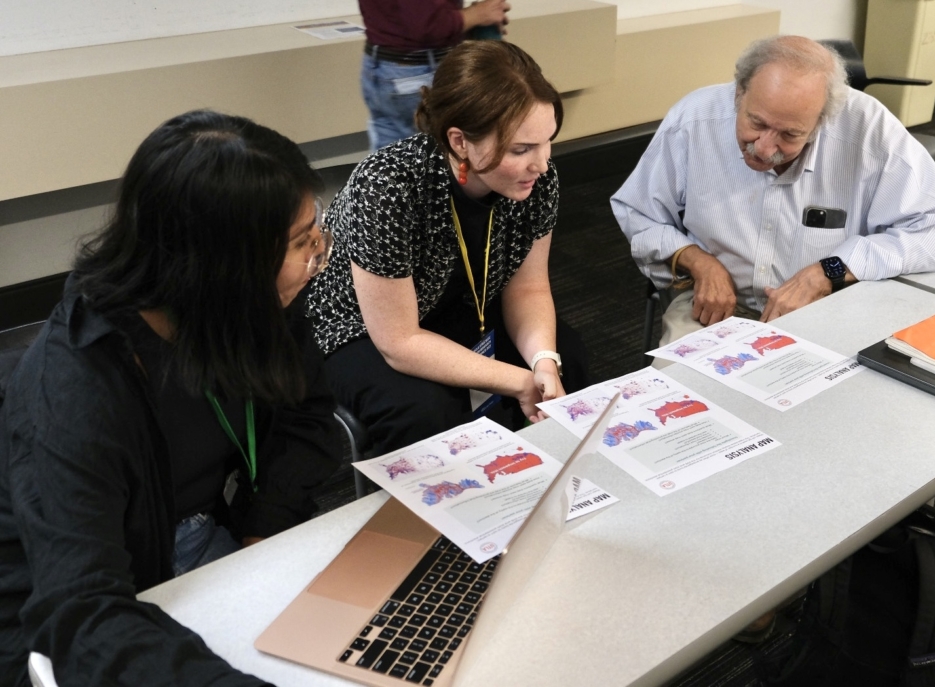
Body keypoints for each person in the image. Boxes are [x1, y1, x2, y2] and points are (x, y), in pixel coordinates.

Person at [0, 110, 344, 685]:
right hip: (66, 604)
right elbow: (83, 615)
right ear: (222, 266)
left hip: (196, 539)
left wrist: (264, 527)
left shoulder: (252, 303)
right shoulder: (74, 388)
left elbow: (306, 414)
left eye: (315, 233)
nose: (315, 258)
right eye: (299, 243)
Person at [306, 40, 588, 457]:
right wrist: (517, 380)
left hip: (458, 304)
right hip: (361, 326)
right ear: (459, 141)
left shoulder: (539, 180)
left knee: (568, 361)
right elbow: (399, 341)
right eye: (521, 149)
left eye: (547, 142)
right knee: (425, 412)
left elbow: (528, 289)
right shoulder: (388, 186)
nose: (542, 163)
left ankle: (546, 481)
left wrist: (543, 361)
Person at [612, 35, 935, 345]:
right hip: (711, 308)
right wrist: (698, 261)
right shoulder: (693, 119)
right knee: (681, 392)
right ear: (739, 93)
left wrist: (829, 271)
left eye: (790, 135)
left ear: (821, 122)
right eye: (756, 123)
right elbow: (637, 213)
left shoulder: (869, 130)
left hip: (827, 307)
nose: (764, 149)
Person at [359, 0, 511, 151]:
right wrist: (477, 14)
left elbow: (405, 18)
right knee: (441, 155)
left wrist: (472, 20)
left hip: (380, 65)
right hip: (416, 72)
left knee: (389, 155)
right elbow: (426, 24)